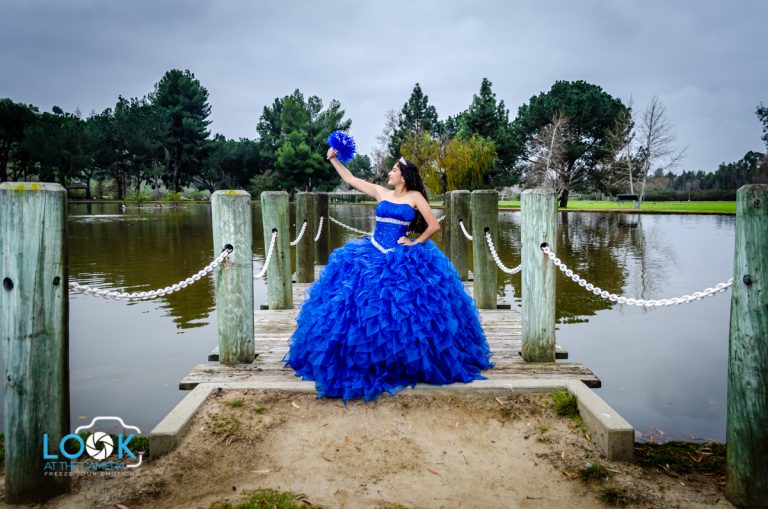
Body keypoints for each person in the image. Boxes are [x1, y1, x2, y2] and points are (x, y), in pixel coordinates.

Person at [283, 148, 494, 402]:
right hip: (371, 252)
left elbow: (434, 225)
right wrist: (333, 159)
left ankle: (403, 361)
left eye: (393, 169)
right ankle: (367, 358)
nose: (388, 173)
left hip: (401, 254)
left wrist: (415, 244)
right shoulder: (381, 192)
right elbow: (350, 179)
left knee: (406, 311)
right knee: (360, 306)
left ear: (403, 176)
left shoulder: (415, 196)